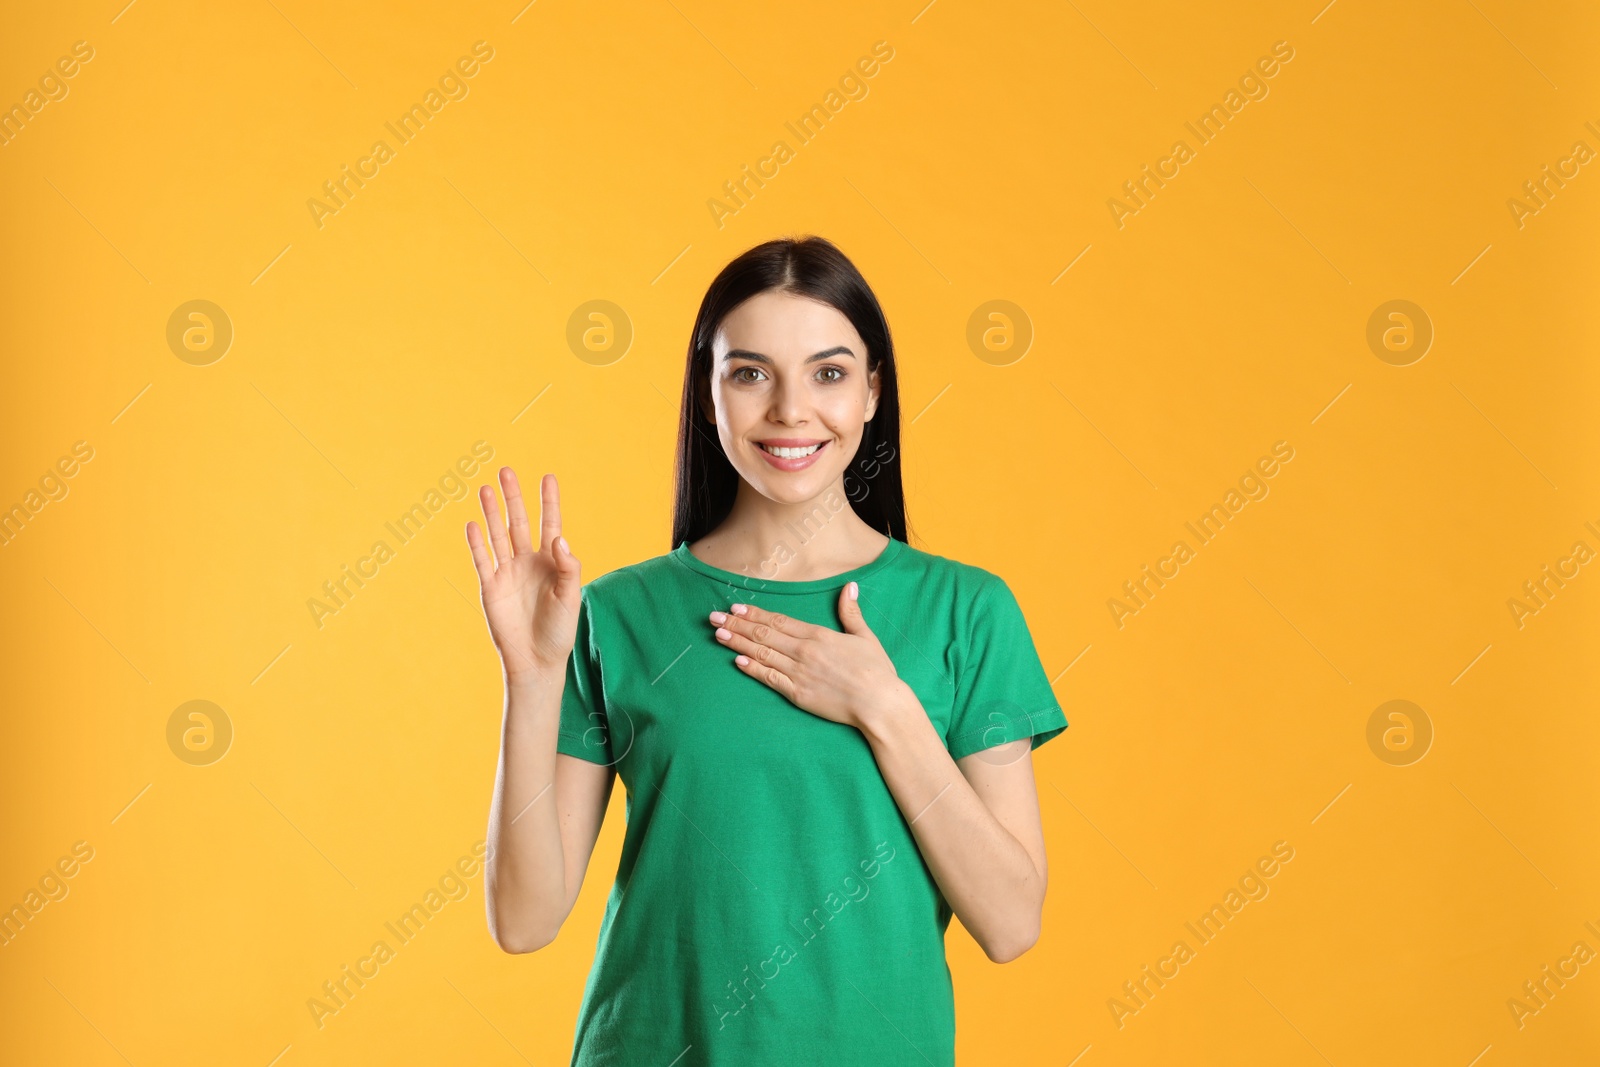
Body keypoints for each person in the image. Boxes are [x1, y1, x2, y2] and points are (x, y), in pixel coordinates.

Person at [465, 235, 1068, 1066]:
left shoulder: (966, 610)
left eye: (829, 372)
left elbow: (1011, 921)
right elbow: (524, 921)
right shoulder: (616, 613)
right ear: (708, 395)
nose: (790, 410)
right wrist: (531, 682)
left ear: (872, 393)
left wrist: (883, 706)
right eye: (750, 373)